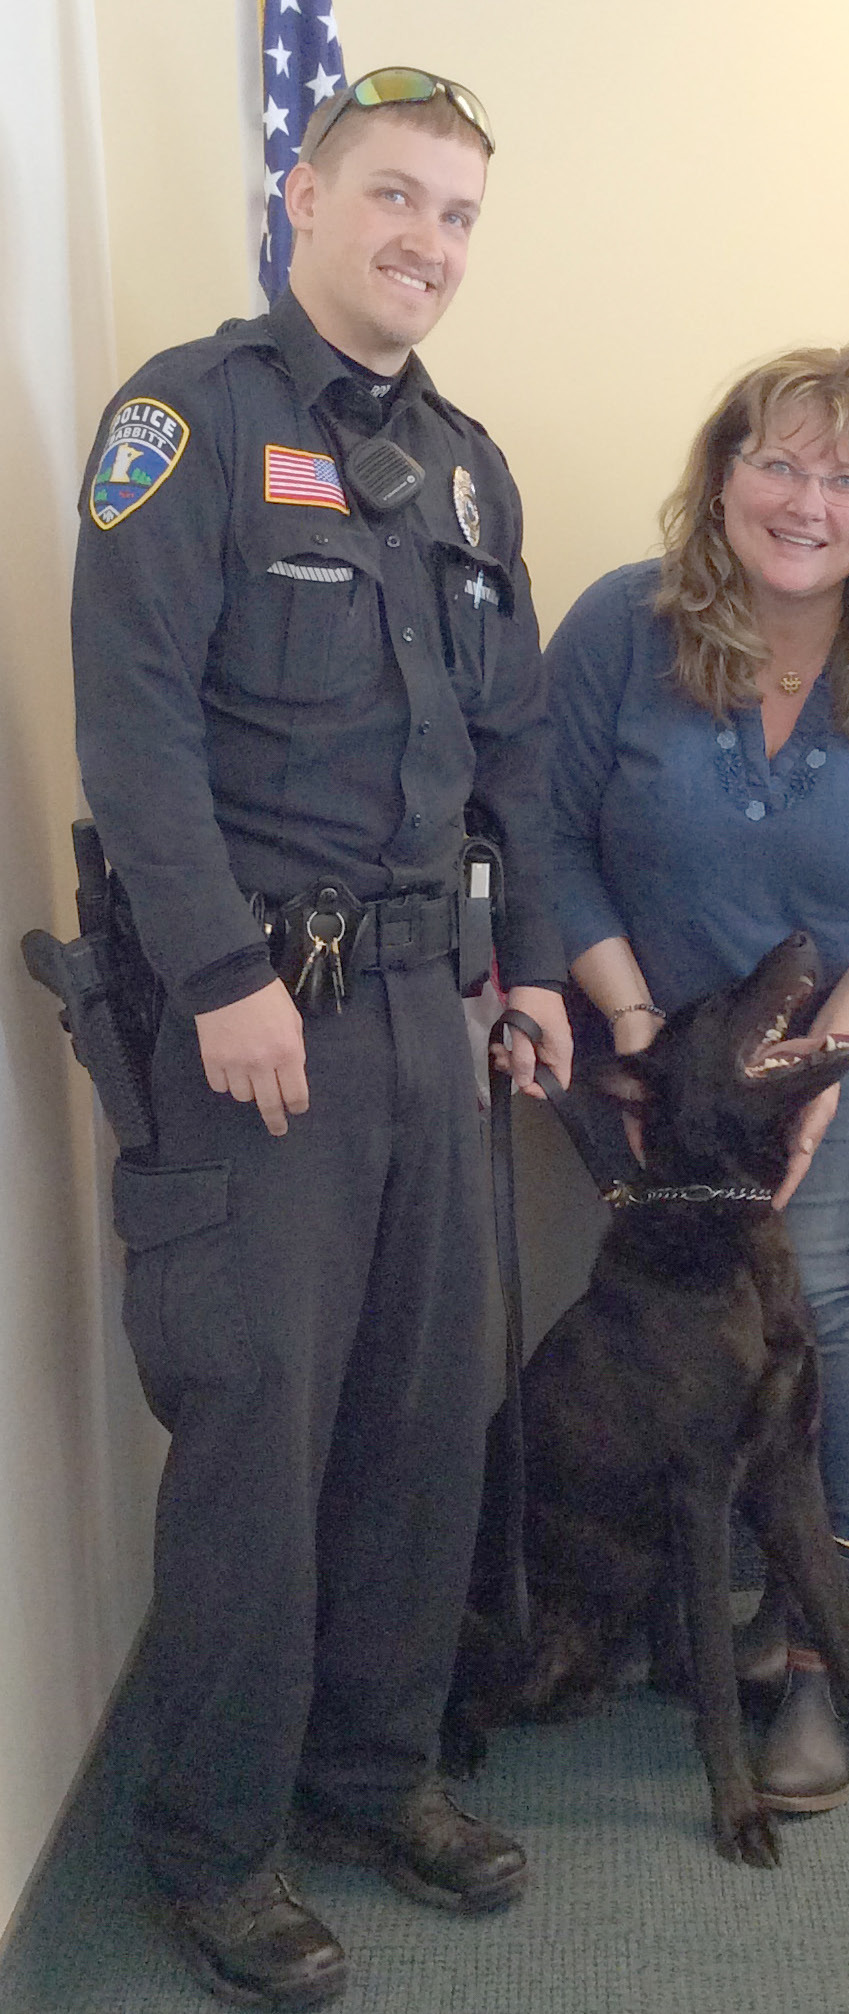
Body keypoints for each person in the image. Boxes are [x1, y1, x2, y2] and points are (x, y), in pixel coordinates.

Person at [72, 70, 572, 2010]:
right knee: (258, 1435)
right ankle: (214, 1842)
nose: (425, 242)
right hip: (257, 1030)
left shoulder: (465, 470)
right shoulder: (188, 420)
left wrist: (532, 968)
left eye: (457, 215)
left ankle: (372, 1776)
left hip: (427, 1018)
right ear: (302, 194)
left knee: (419, 1418)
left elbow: (510, 751)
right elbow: (133, 720)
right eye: (393, 197)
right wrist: (216, 973)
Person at [546, 343, 849, 1815]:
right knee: (665, 1335)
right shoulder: (622, 624)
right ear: (725, 472)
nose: (810, 503)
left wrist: (821, 1071)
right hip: (635, 1049)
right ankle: (698, 1604)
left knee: (814, 1295)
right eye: (782, 464)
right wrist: (630, 1030)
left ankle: (822, 1638)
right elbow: (546, 835)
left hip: (825, 1047)